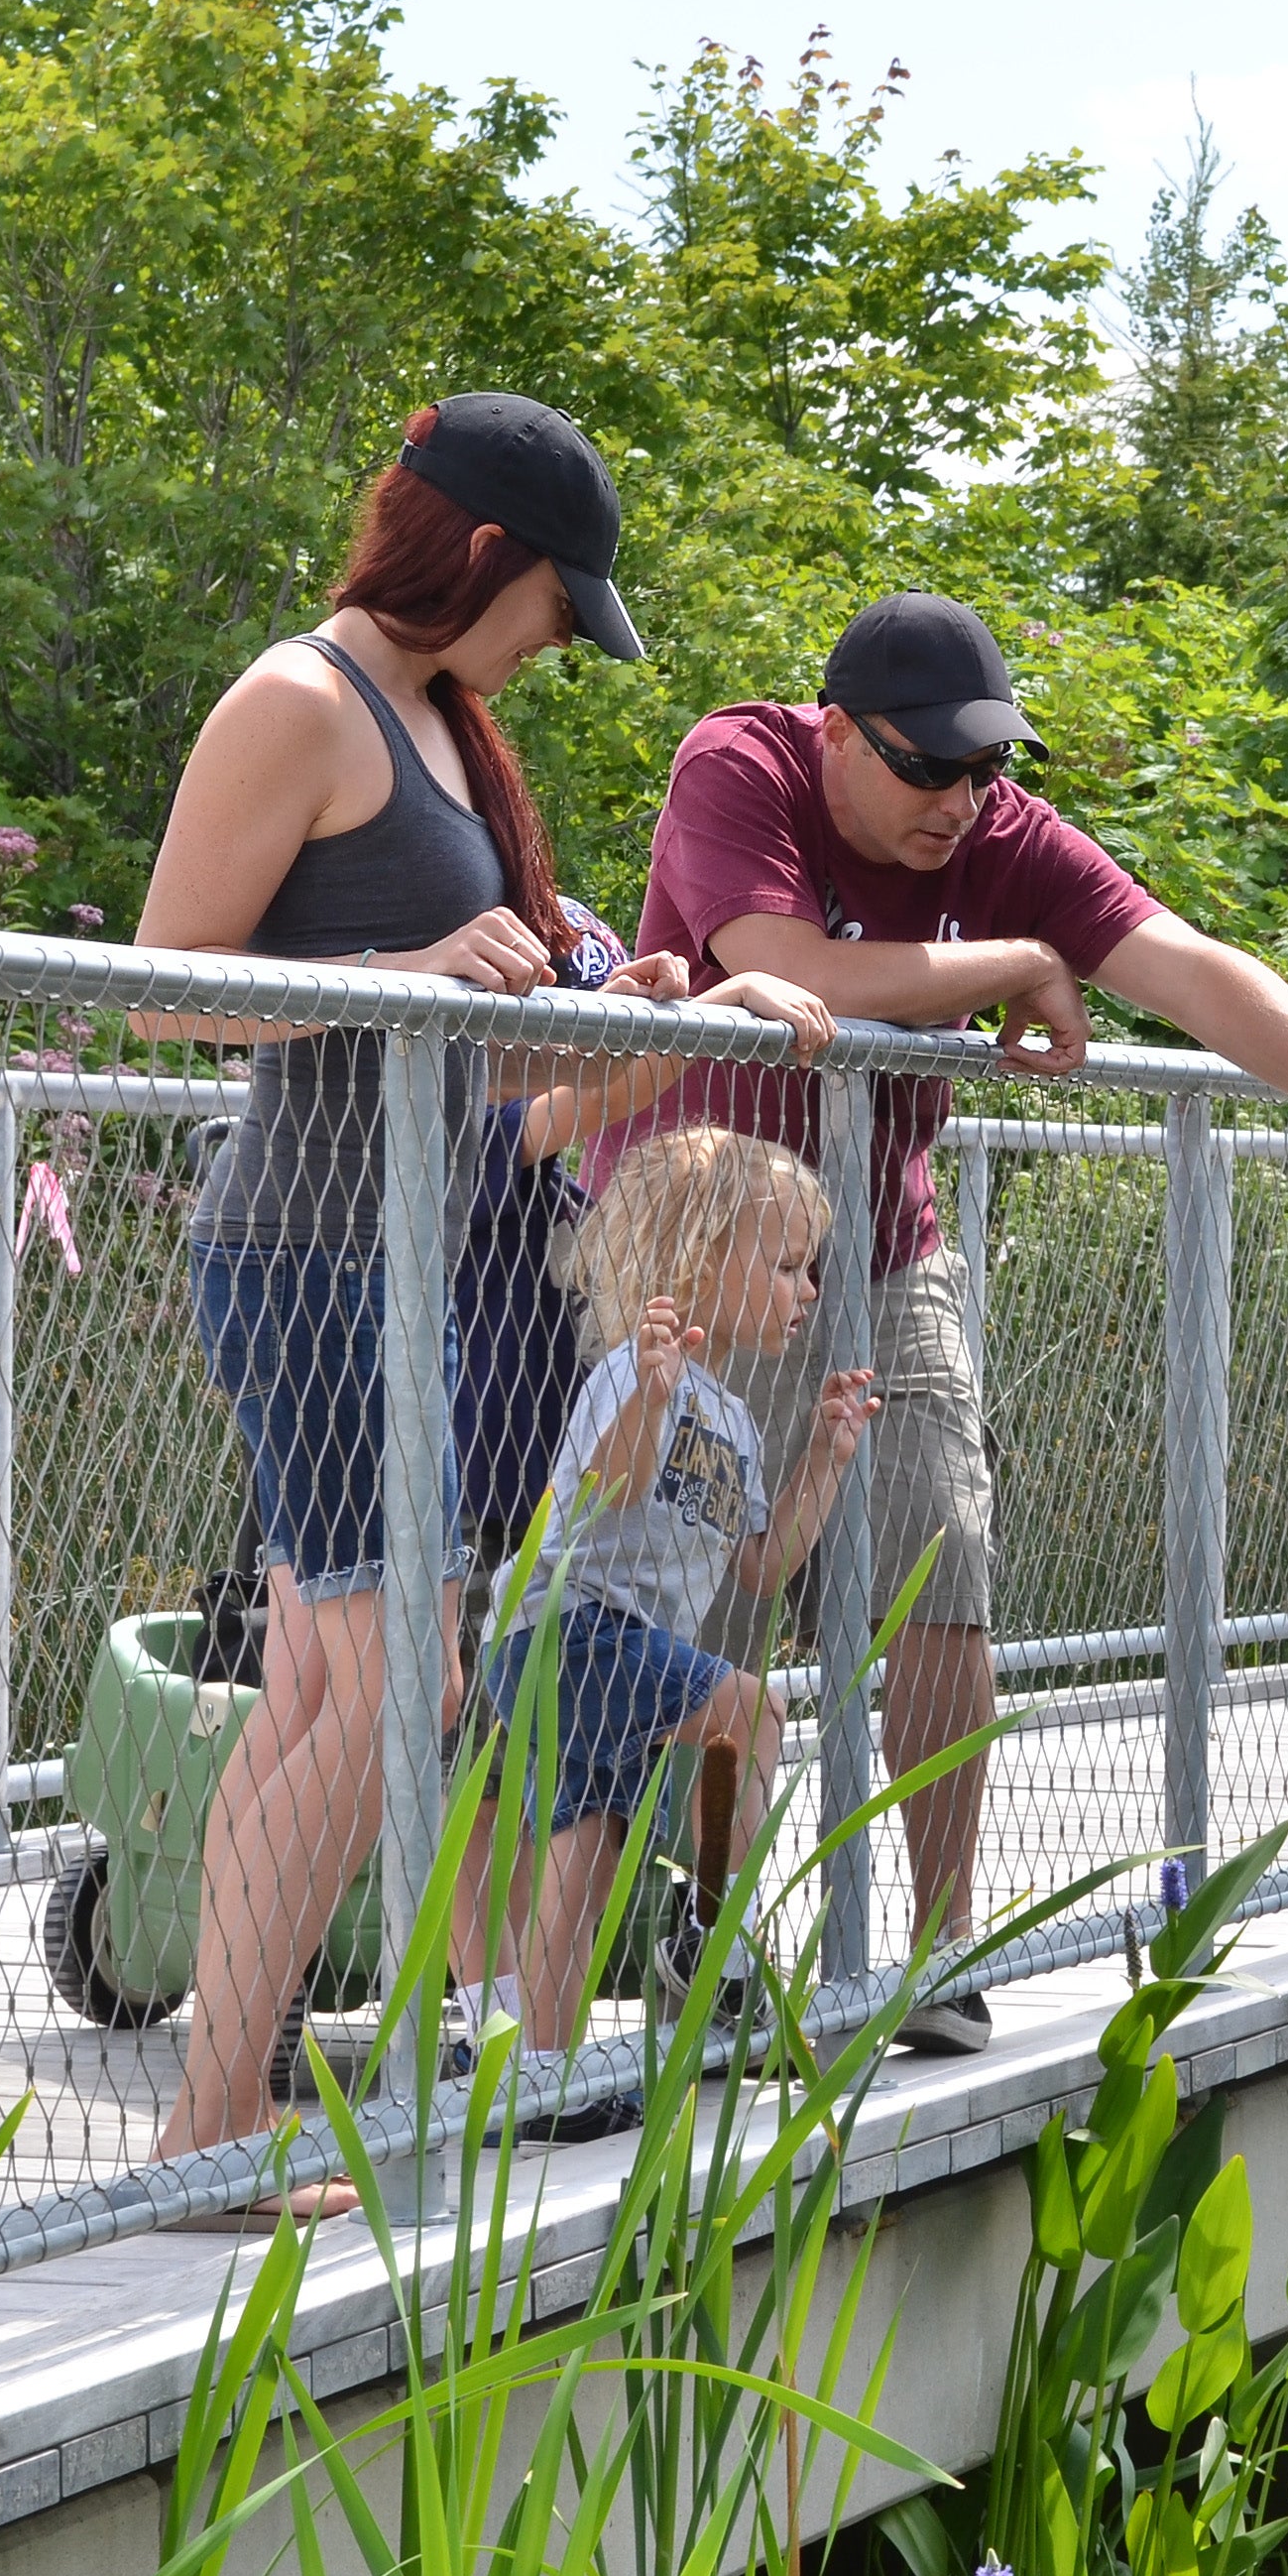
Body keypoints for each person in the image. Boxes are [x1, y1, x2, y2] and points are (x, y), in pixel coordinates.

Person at [610, 590, 1288, 2052]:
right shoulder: (743, 765)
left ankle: (939, 1949)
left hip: (880, 1245)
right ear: (840, 733)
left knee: (942, 1567)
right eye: (926, 772)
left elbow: (1189, 965)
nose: (962, 806)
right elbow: (800, 975)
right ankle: (689, 1943)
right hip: (693, 1245)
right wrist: (1022, 963)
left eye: (984, 773)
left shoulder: (1001, 832)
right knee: (689, 1597)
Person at [131, 390, 830, 2157]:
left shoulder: (444, 732)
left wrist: (668, 1004)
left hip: (400, 1260)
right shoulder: (303, 698)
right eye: (551, 611)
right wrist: (419, 963)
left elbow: (504, 1079)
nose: (548, 653)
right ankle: (207, 2134)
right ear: (490, 556)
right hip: (308, 1254)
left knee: (315, 1691)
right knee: (397, 1695)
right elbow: (159, 990)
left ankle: (215, 2101)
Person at [475, 1127, 878, 2049]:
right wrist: (649, 1403)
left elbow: (763, 1566)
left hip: (615, 1653)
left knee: (587, 1858)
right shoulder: (634, 1373)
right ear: (703, 1259)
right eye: (785, 1267)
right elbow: (590, 1498)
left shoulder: (733, 1420)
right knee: (754, 1713)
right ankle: (712, 1942)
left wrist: (825, 1457)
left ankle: (548, 2071)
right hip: (567, 1633)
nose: (807, 1292)